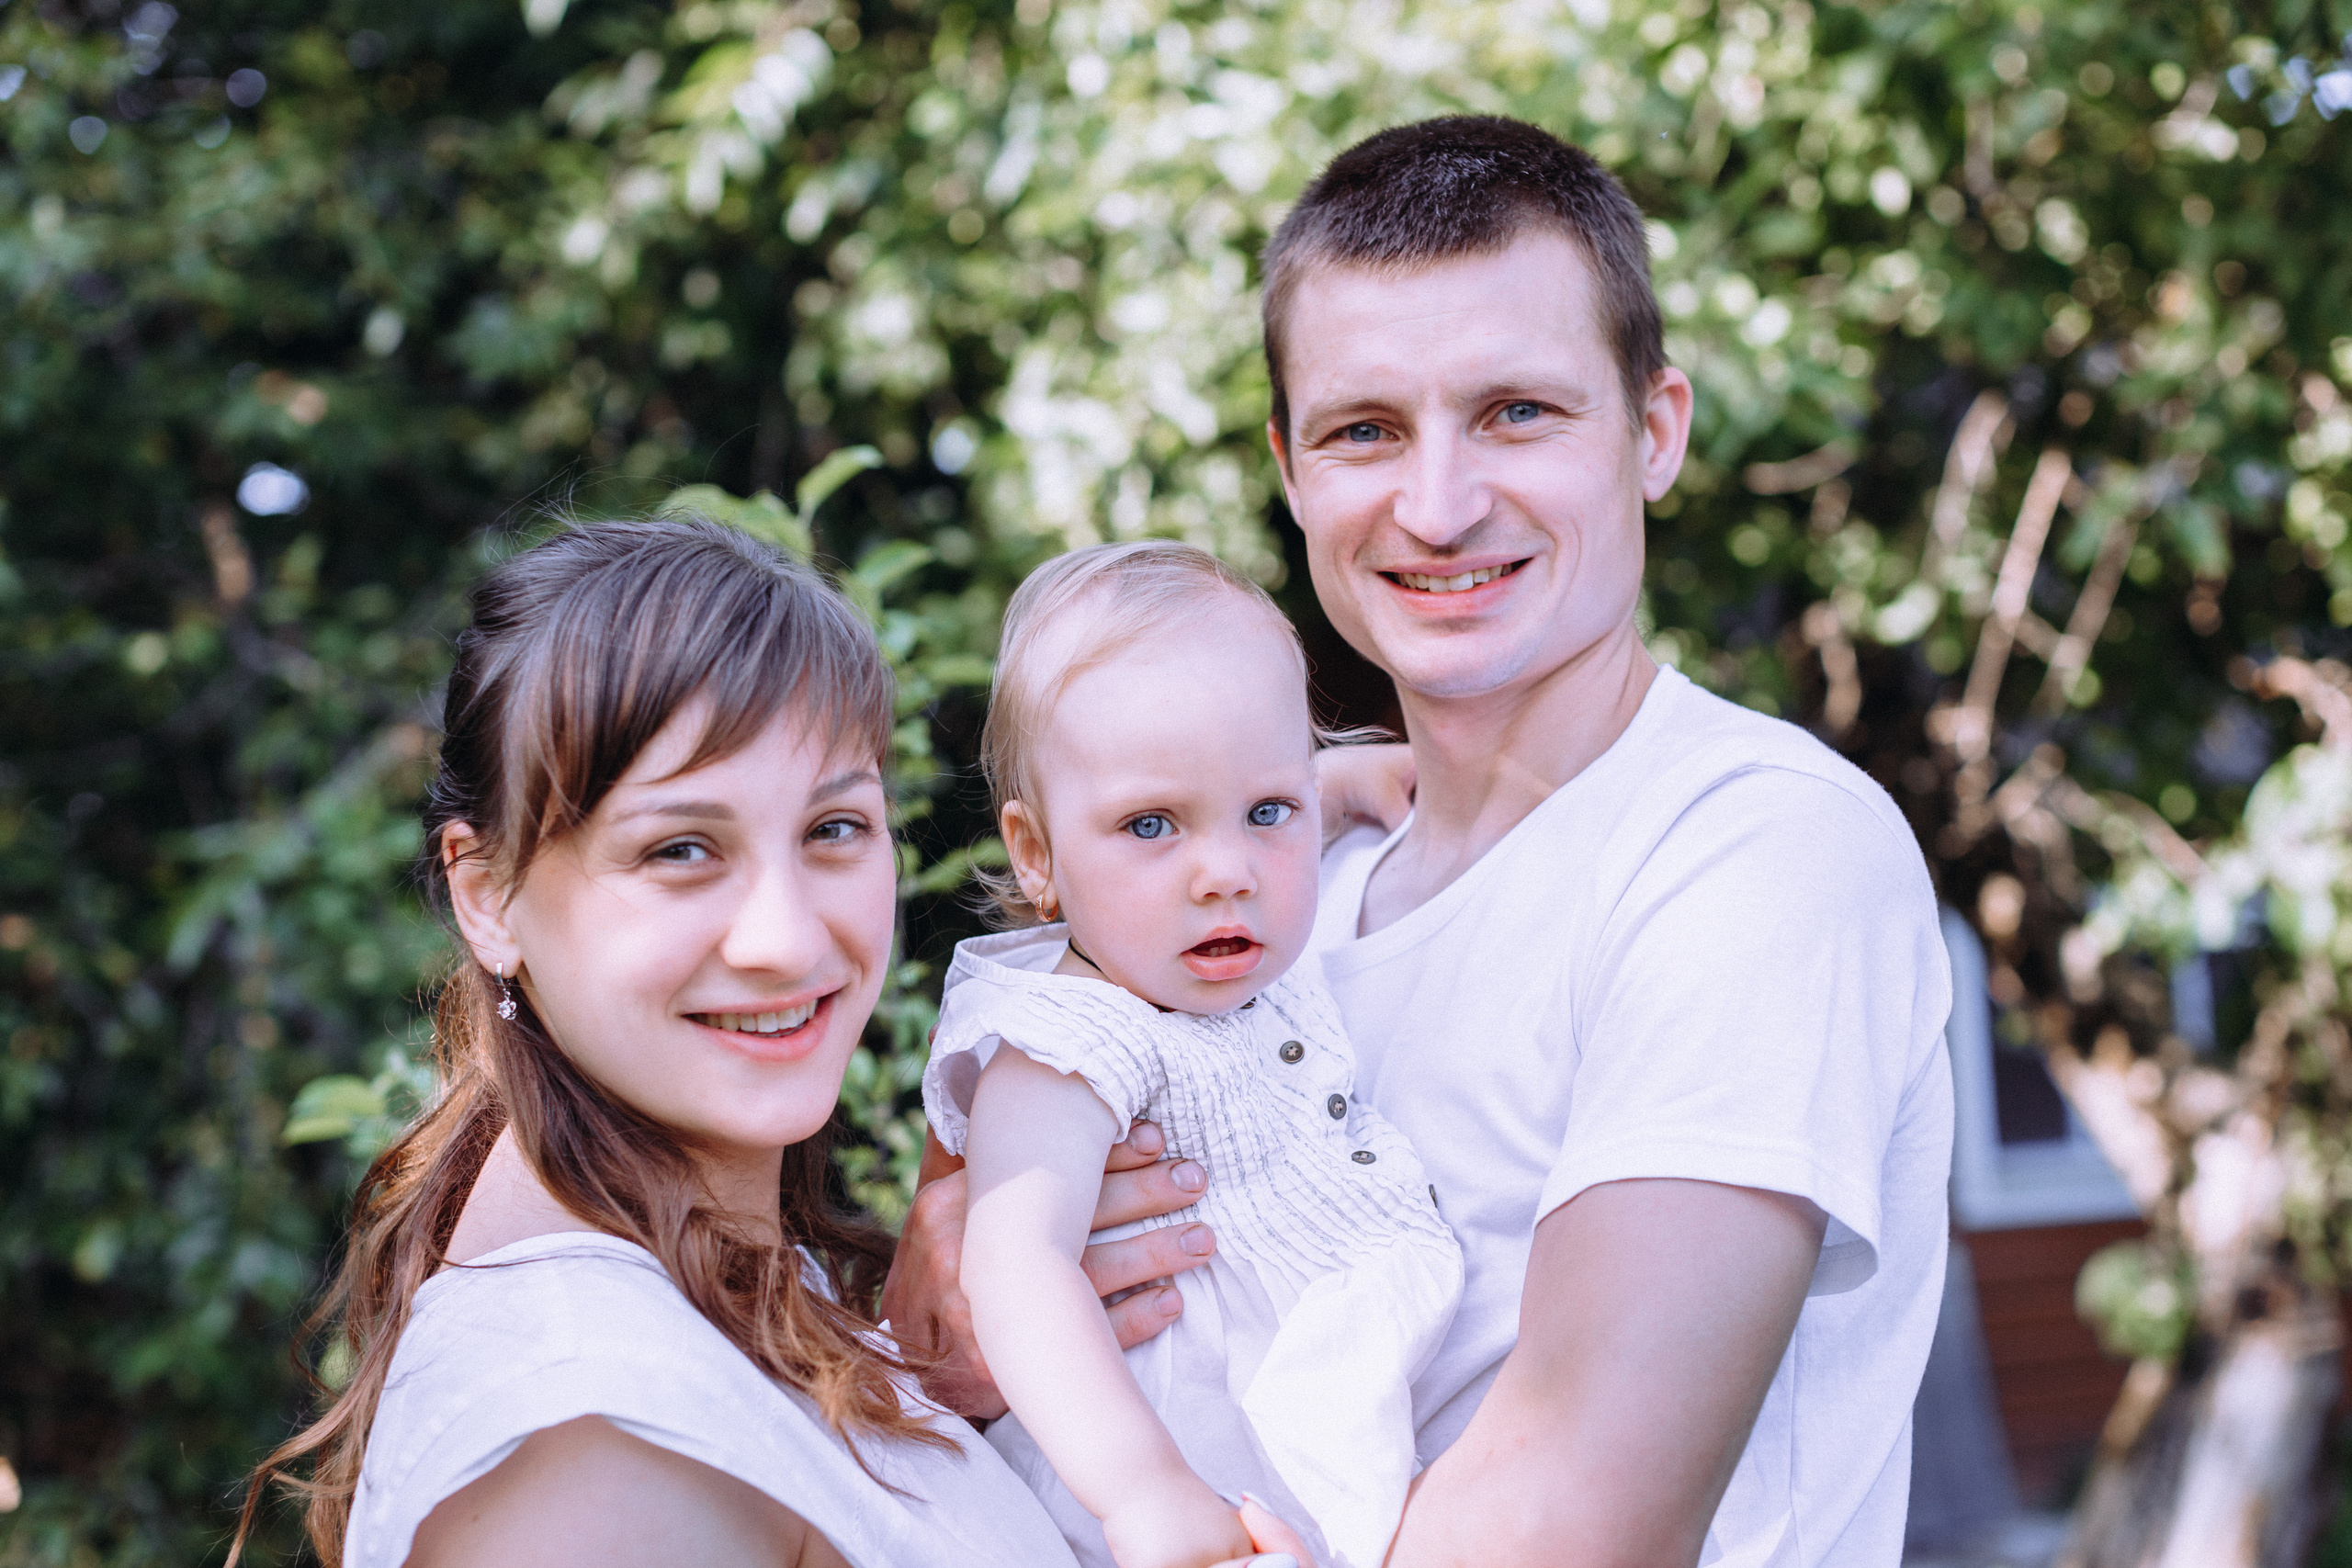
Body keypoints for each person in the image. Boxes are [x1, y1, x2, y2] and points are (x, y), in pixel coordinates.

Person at [884, 116, 1955, 1567]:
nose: (1439, 506)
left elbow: (1565, 1523)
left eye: (1517, 411)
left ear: (1656, 429)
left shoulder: (1751, 850)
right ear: (1289, 466)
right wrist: (954, 1320)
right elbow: (987, 1295)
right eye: (1365, 430)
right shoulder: (1264, 890)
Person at [232, 518, 1310, 1568]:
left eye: (833, 829)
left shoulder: (727, 1294)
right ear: (487, 895)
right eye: (683, 849)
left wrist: (935, 1393)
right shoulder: (598, 1454)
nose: (788, 938)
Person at [926, 542, 1462, 1568]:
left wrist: (1331, 787)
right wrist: (1144, 1493)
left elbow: (1248, 782)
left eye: (1267, 812)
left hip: (1310, 1443)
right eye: (1149, 824)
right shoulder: (1067, 1040)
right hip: (1174, 1466)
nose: (1225, 872)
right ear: (1035, 855)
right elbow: (1014, 1263)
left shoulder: (1240, 935)